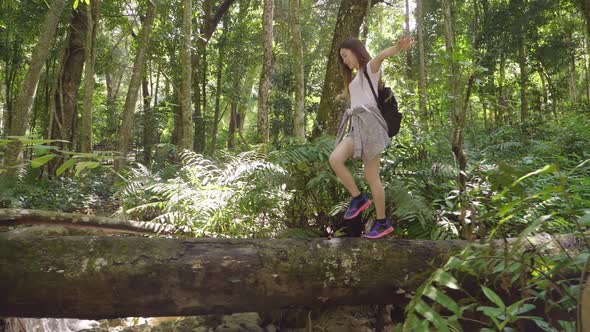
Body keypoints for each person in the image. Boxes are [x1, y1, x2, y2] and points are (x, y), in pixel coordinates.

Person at [329, 36, 413, 239]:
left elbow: (381, 56)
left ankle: (381, 221)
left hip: (371, 126)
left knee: (372, 177)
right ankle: (359, 199)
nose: (345, 61)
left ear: (356, 51)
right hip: (357, 126)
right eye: (342, 58)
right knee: (335, 159)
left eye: (345, 55)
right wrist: (342, 96)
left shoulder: (369, 69)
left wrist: (397, 47)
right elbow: (355, 96)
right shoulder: (356, 79)